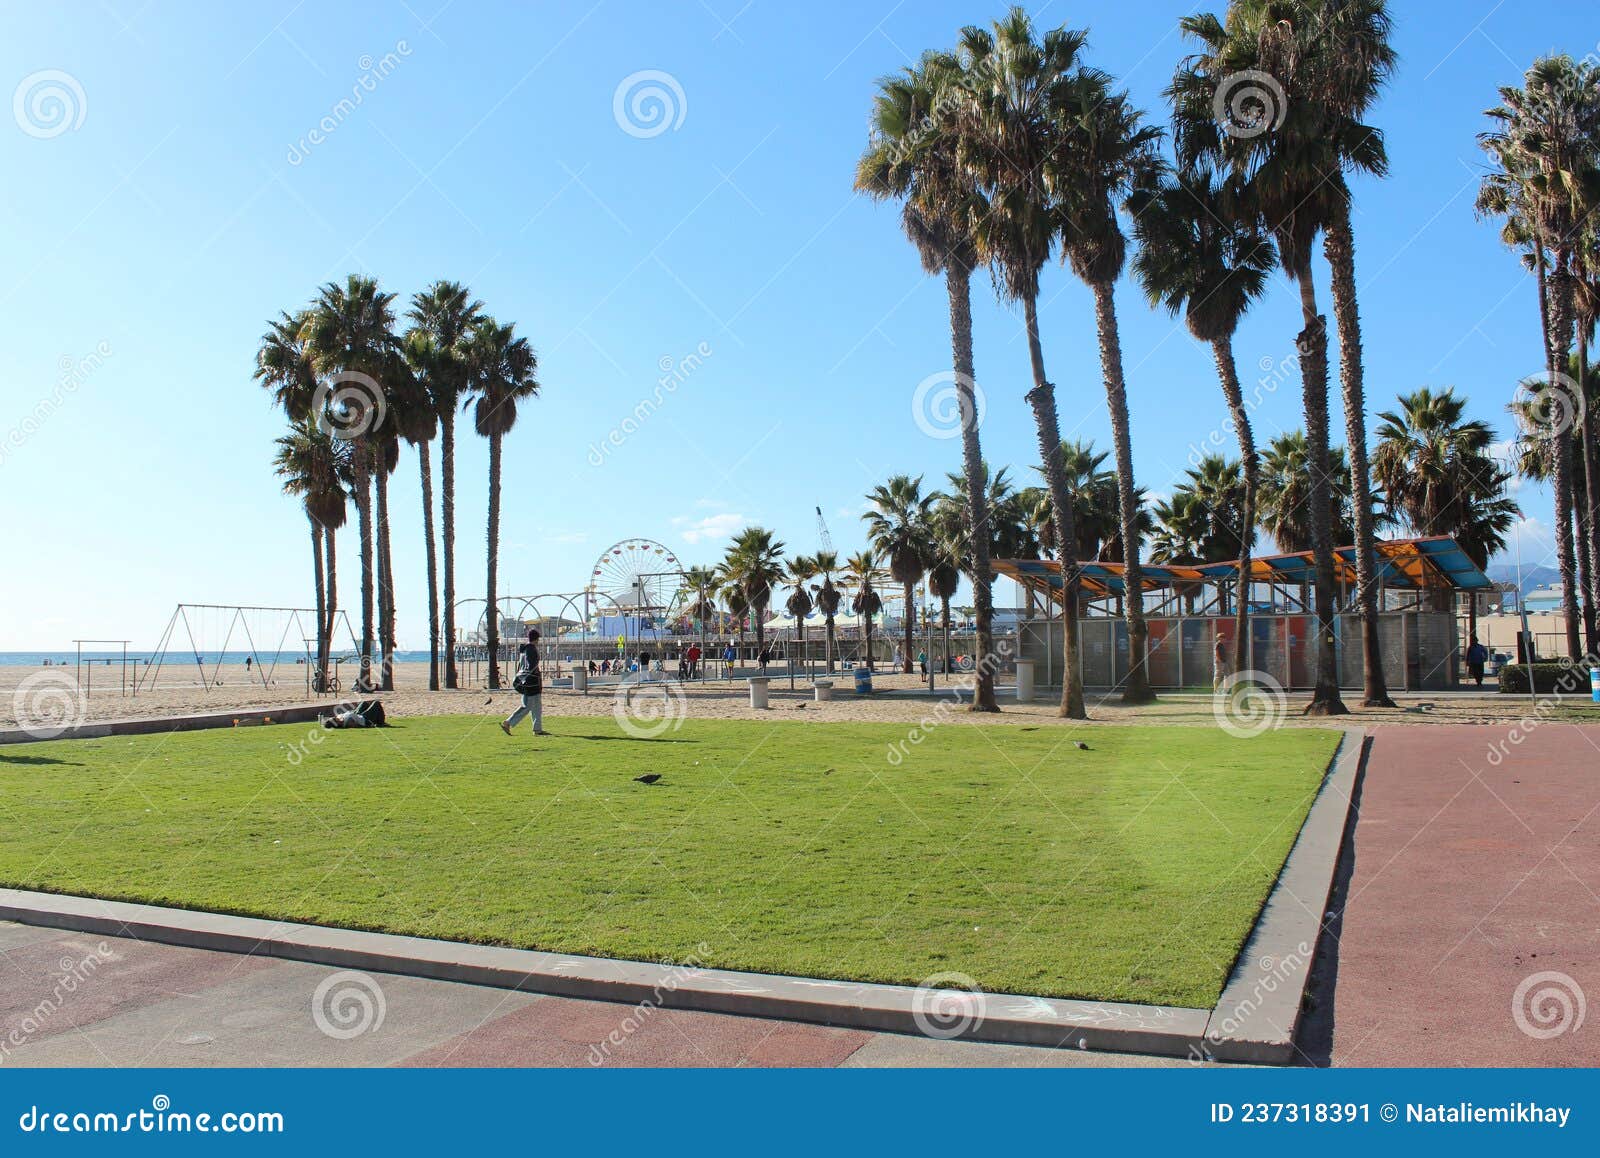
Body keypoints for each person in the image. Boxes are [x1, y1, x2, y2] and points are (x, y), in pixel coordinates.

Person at [500, 628, 547, 737]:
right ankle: (508, 722)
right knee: (527, 706)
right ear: (536, 639)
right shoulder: (531, 649)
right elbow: (531, 666)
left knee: (537, 707)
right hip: (531, 682)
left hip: (525, 680)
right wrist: (535, 670)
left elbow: (522, 666)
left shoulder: (524, 650)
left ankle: (537, 729)